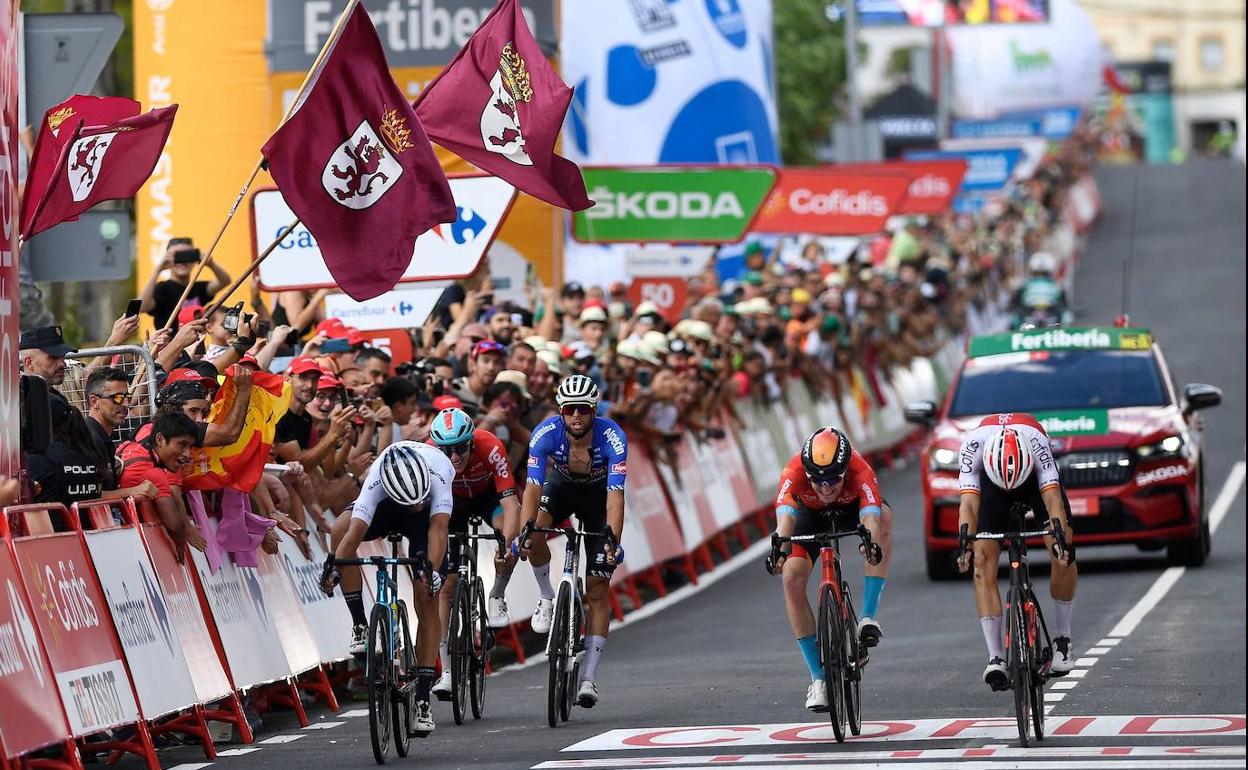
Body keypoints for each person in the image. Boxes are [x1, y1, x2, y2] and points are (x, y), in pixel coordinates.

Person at [320, 441, 454, 737]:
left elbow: (439, 529)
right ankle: (360, 625)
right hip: (388, 507)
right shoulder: (376, 478)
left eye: (419, 499)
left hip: (426, 522)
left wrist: (429, 571)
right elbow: (352, 535)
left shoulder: (442, 470)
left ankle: (422, 698)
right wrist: (335, 568)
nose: (416, 504)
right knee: (340, 529)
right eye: (412, 502)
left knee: (426, 595)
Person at [517, 374, 627, 709]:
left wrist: (612, 540)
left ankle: (589, 678)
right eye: (569, 410)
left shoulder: (613, 437)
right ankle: (548, 597)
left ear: (593, 411)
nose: (575, 416)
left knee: (596, 588)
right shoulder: (546, 433)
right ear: (561, 412)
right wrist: (525, 530)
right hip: (560, 488)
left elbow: (615, 497)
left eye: (582, 409)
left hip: (598, 499)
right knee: (533, 531)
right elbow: (533, 488)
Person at [765, 427, 892, 712]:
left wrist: (869, 543)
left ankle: (868, 617)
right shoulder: (793, 471)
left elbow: (870, 514)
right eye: (817, 481)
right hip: (808, 518)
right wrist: (779, 552)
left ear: (845, 469)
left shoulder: (861, 469)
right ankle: (818, 679)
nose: (824, 488)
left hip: (852, 513)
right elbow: (784, 520)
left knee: (883, 517)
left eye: (833, 480)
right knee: (791, 579)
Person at [955, 413, 1077, 690]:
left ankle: (1063, 639)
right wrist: (963, 545)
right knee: (981, 559)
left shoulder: (1036, 442)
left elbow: (1052, 499)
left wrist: (1060, 541)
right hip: (991, 487)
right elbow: (969, 507)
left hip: (1032, 482)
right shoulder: (972, 446)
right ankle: (996, 656)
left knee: (1063, 547)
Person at [426, 408, 521, 699]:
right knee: (445, 587)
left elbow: (511, 506)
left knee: (509, 537)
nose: (454, 457)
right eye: (446, 450)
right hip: (452, 504)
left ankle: (497, 594)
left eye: (460, 449)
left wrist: (505, 545)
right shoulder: (429, 456)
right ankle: (446, 671)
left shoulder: (490, 446)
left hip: (487, 497)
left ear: (470, 442)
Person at [139, 239, 233, 328]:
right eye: (177, 256)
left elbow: (225, 281)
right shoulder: (162, 289)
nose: (183, 262)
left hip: (196, 343)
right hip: (169, 344)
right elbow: (142, 307)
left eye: (187, 256)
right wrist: (157, 270)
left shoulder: (198, 288)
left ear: (194, 258)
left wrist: (211, 264)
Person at [1011, 251, 1070, 327]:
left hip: (1042, 321)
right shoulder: (1057, 286)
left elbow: (1015, 303)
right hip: (1034, 321)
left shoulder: (1025, 285)